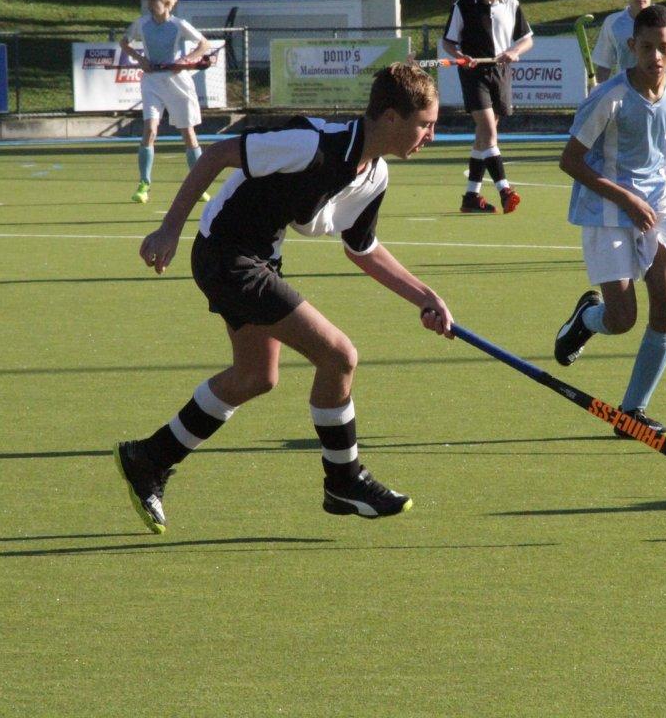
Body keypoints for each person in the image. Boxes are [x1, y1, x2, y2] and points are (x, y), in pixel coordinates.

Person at [114, 63, 453, 533]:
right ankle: (344, 479)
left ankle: (148, 458)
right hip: (225, 254)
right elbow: (215, 156)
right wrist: (169, 228)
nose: (432, 135)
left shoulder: (373, 175)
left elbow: (362, 248)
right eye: (425, 124)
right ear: (392, 118)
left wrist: (424, 296)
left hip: (260, 256)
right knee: (339, 355)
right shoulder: (311, 143)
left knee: (256, 376)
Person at [553, 5, 666, 439]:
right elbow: (570, 161)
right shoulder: (609, 98)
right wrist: (626, 199)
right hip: (607, 209)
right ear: (632, 47)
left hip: (661, 205)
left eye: (665, 48)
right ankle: (586, 319)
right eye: (648, 47)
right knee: (622, 319)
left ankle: (633, 411)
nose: (656, 56)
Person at [441, 0, 533, 214]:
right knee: (489, 132)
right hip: (473, 73)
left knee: (483, 138)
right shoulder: (464, 4)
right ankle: (505, 190)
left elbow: (527, 39)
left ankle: (471, 197)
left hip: (500, 72)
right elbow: (448, 41)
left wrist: (515, 52)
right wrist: (461, 57)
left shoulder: (511, 4)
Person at [119, 0, 212, 205]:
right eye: (149, 2)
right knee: (150, 129)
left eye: (155, 2)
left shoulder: (179, 25)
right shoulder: (141, 24)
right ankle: (144, 184)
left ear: (168, 4)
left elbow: (204, 44)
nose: (151, 6)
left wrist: (184, 60)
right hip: (152, 82)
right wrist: (140, 59)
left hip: (177, 82)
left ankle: (198, 186)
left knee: (188, 134)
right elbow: (124, 43)